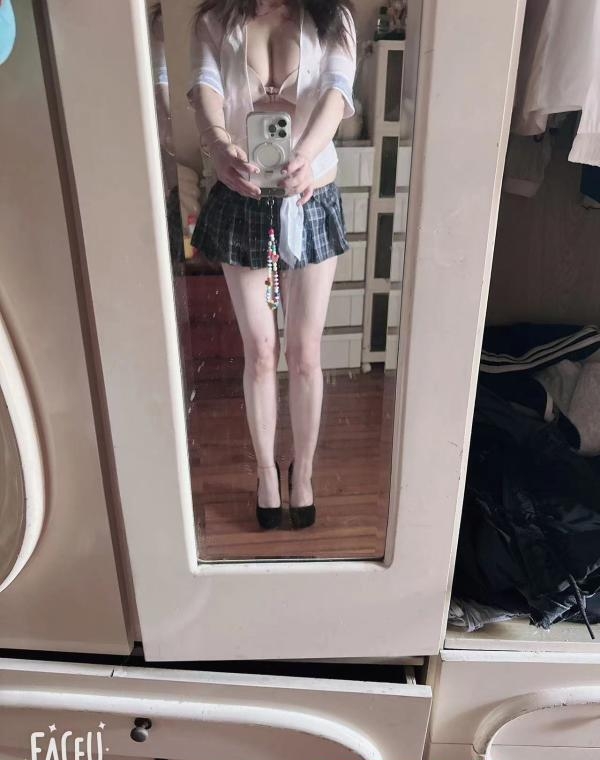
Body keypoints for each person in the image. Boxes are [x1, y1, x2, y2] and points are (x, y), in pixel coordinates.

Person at [187, 0, 357, 530]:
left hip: (311, 193)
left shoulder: (333, 18)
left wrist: (304, 155)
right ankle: (265, 473)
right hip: (242, 195)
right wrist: (218, 145)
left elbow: (337, 91)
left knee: (305, 352)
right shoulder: (215, 20)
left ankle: (301, 472)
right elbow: (205, 87)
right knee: (261, 351)